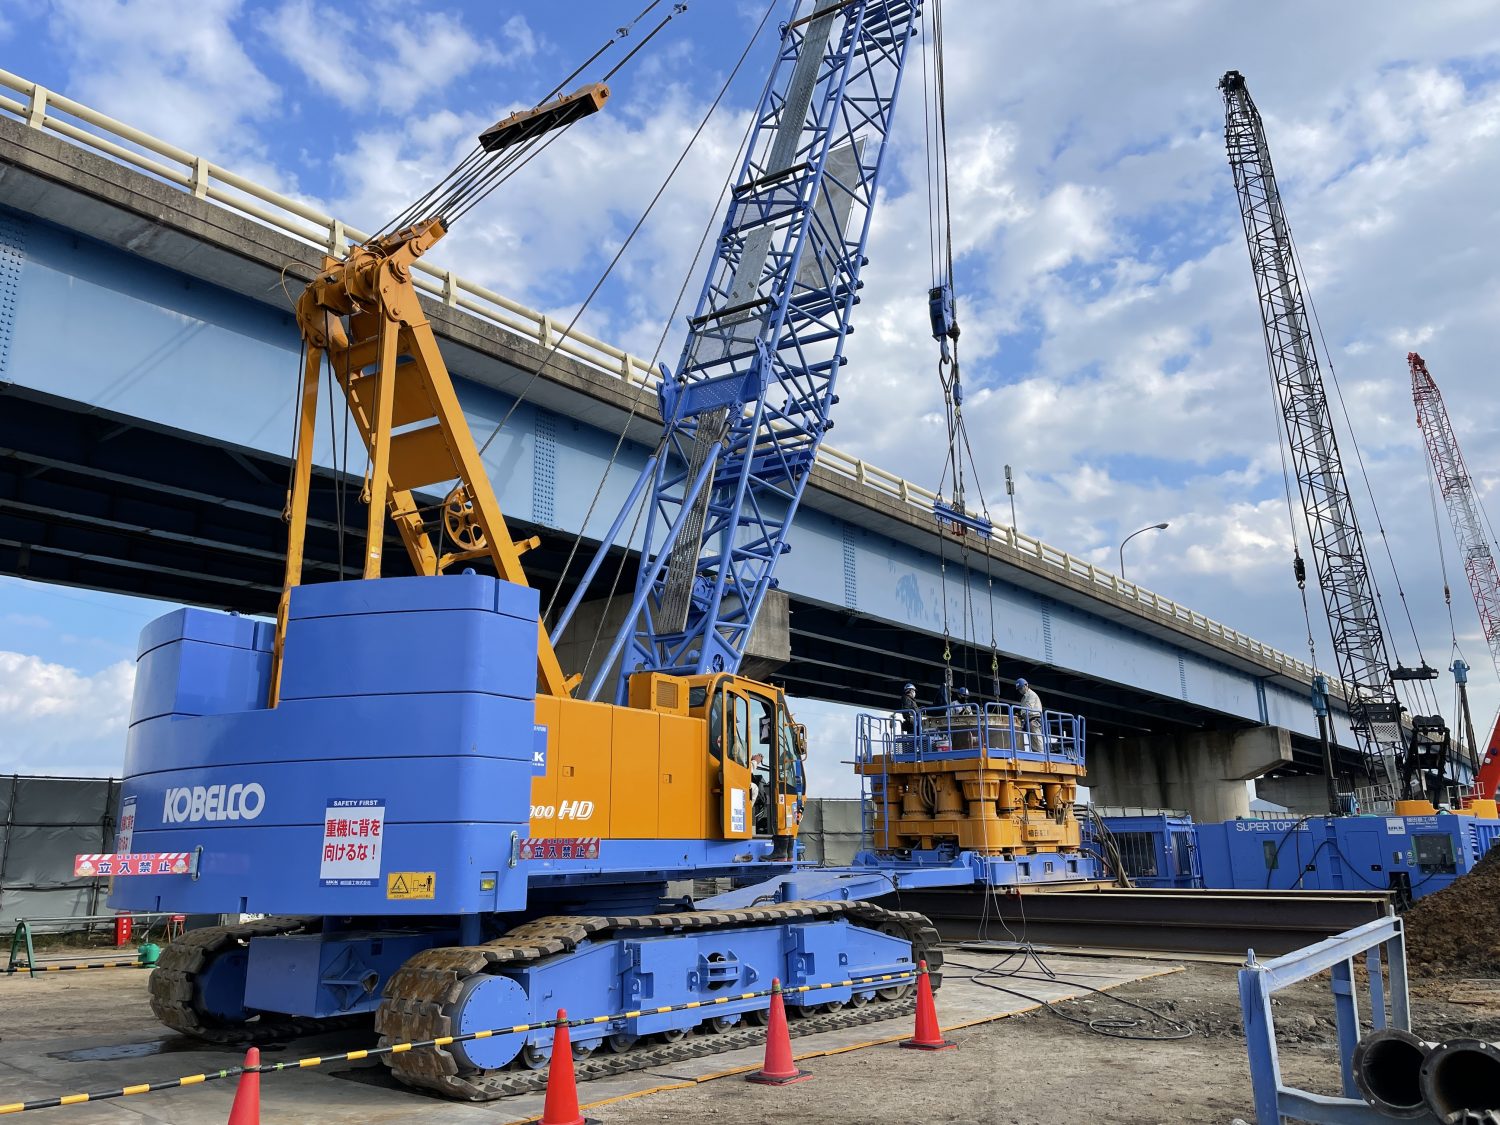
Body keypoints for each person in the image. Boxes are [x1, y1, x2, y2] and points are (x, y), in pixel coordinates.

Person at [1015, 677, 1044, 753]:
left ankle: (1041, 754)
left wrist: (1021, 714)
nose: (1020, 691)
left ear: (1026, 685)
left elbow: (1028, 708)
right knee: (1032, 739)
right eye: (1019, 689)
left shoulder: (1031, 695)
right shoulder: (1023, 698)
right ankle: (1036, 753)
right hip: (1028, 720)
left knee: (1036, 738)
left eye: (1021, 688)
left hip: (1034, 719)